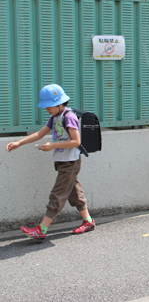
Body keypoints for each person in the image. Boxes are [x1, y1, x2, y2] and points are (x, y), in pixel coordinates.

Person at [6, 84, 95, 243]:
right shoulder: (55, 117)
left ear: (60, 103)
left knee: (57, 195)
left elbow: (76, 141)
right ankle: (88, 221)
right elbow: (40, 134)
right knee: (74, 192)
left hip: (70, 163)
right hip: (63, 162)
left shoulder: (69, 117)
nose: (47, 109)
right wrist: (19, 143)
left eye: (49, 106)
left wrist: (53, 145)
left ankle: (41, 230)